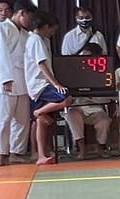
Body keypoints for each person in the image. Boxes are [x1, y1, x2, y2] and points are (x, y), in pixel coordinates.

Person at [0, 0, 37, 167]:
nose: (30, 22)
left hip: (23, 81)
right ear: (22, 13)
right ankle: (1, 155)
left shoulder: (26, 34)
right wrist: (6, 78)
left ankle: (16, 153)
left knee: (22, 120)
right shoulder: (1, 29)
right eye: (30, 17)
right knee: (3, 120)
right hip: (5, 81)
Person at [25, 10, 73, 165]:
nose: (53, 33)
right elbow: (41, 64)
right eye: (52, 29)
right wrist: (56, 84)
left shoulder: (39, 40)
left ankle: (41, 155)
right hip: (40, 85)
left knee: (41, 122)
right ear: (45, 27)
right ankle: (38, 112)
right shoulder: (36, 40)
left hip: (38, 85)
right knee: (66, 98)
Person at [61, 43, 111, 160]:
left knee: (104, 122)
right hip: (77, 106)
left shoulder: (104, 73)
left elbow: (108, 97)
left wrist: (93, 97)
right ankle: (81, 148)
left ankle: (100, 147)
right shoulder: (74, 72)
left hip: (95, 108)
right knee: (71, 115)